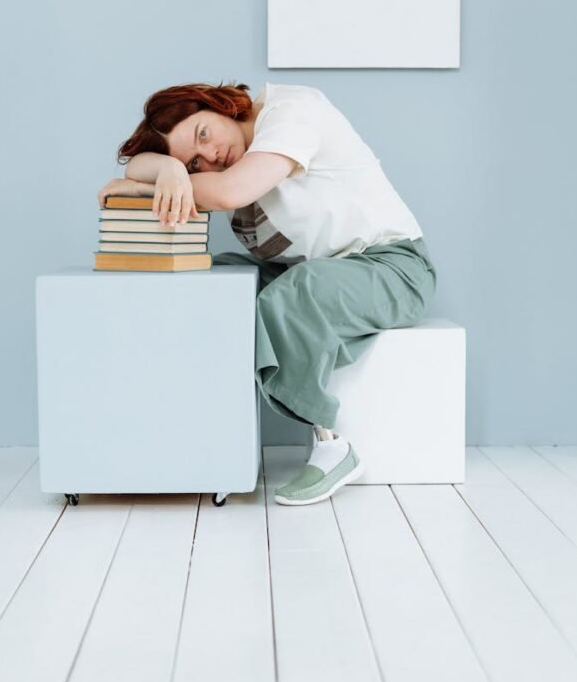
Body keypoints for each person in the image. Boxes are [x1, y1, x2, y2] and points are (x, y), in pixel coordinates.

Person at [97, 81, 437, 506]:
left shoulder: (293, 111)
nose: (210, 156)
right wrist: (169, 172)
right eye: (194, 162)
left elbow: (228, 193)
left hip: (392, 268)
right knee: (214, 278)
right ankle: (179, 428)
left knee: (295, 292)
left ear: (219, 105)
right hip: (323, 270)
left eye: (204, 134)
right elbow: (138, 165)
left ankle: (331, 442)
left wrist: (152, 189)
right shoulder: (214, 165)